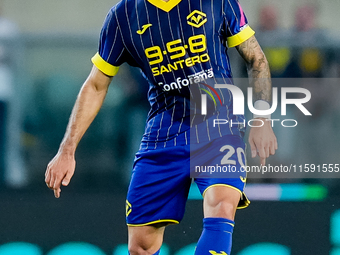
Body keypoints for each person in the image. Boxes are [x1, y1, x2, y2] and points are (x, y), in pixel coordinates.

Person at [45, 0, 277, 254]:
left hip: (219, 124)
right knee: (141, 247)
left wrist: (262, 118)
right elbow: (96, 84)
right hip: (164, 131)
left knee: (221, 205)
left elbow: (256, 58)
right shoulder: (123, 17)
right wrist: (67, 149)